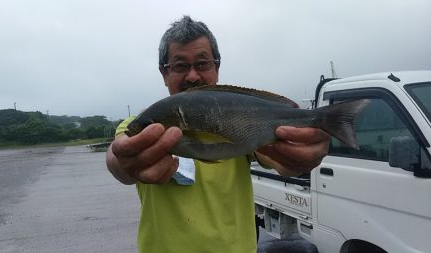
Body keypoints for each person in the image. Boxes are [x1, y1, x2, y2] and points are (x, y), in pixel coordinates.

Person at [106, 16, 330, 253]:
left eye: (202, 64)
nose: (192, 76)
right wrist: (124, 161)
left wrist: (303, 159)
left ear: (217, 68)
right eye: (180, 66)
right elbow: (118, 157)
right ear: (164, 73)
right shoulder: (140, 123)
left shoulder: (237, 116)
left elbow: (284, 163)